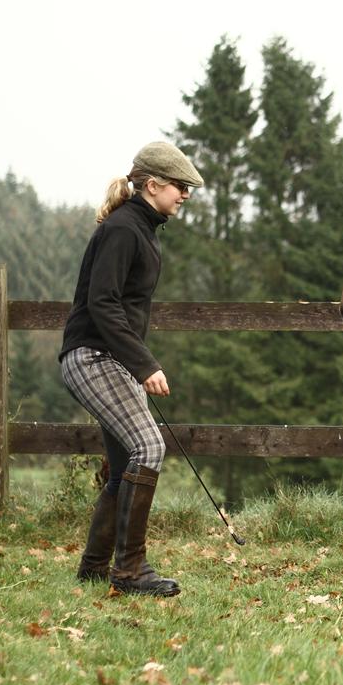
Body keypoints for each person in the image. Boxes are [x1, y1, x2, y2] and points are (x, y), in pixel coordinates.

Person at [59, 142, 203, 597]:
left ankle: (95, 566)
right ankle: (130, 570)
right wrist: (144, 365)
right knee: (148, 446)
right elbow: (102, 304)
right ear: (153, 184)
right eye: (181, 187)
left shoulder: (142, 228)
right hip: (93, 357)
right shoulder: (125, 229)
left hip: (111, 359)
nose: (185, 195)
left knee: (125, 465)